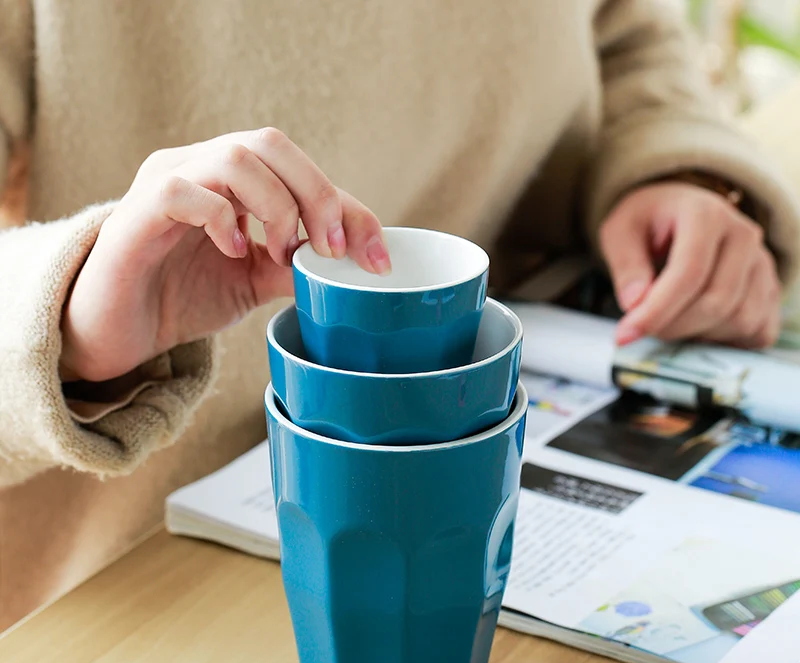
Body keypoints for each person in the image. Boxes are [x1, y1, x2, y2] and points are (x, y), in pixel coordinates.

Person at [1, 0, 798, 628]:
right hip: (134, 603)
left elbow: (624, 35)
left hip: (489, 544)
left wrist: (673, 170)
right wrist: (67, 317)